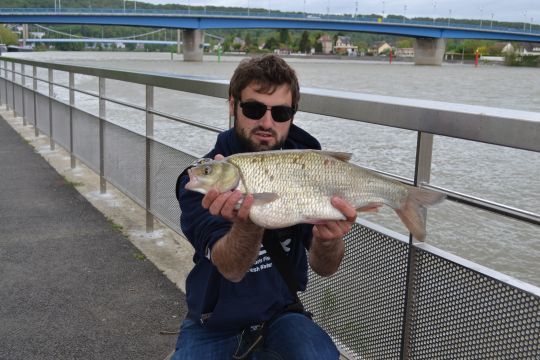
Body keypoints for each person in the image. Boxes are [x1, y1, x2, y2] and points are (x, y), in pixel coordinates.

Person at [173, 54, 356, 360]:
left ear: (292, 115)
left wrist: (329, 239)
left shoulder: (307, 165)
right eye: (254, 109)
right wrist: (250, 219)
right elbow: (230, 269)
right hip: (215, 323)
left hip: (282, 314)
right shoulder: (203, 181)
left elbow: (325, 268)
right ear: (233, 106)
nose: (267, 123)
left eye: (281, 112)